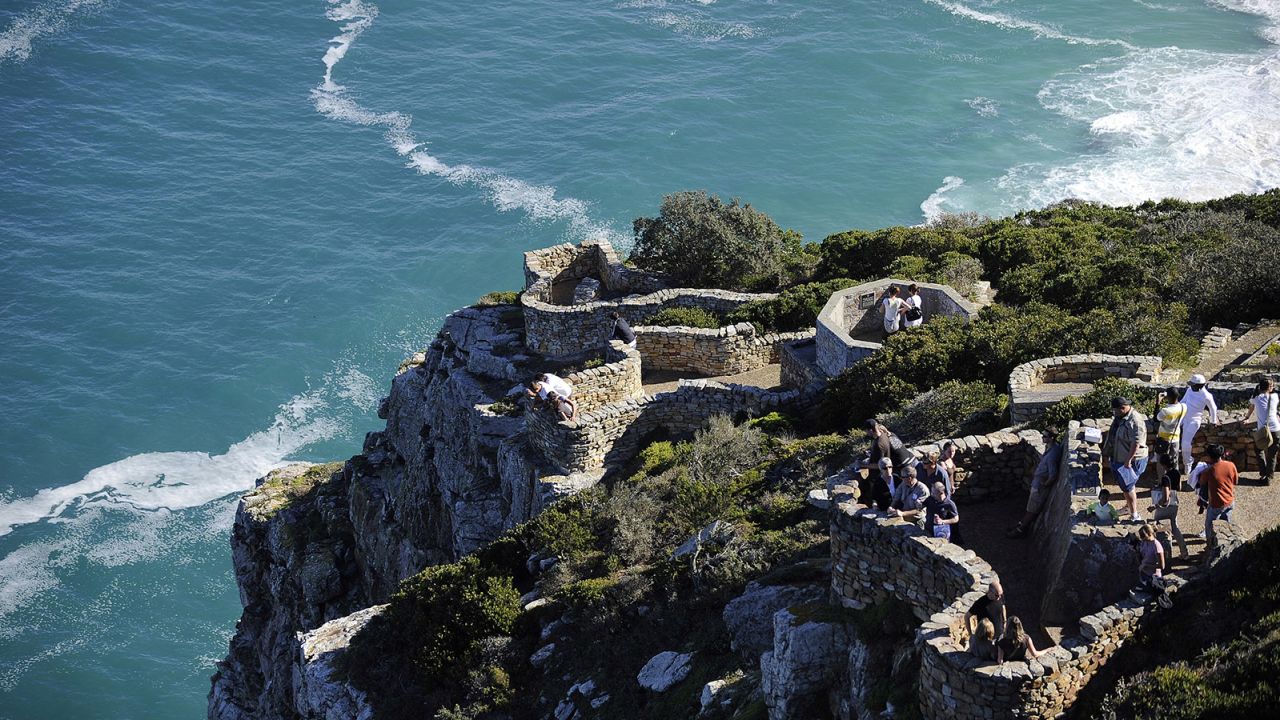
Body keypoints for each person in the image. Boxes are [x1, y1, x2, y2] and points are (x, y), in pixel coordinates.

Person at [1008, 427, 1063, 538]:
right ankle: (1020, 524)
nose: (1042, 437)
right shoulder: (1053, 448)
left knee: (1031, 510)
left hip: (1039, 487)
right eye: (1042, 435)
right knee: (1030, 508)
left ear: (1052, 438)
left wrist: (1044, 485)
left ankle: (1020, 530)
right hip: (1037, 483)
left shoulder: (1052, 455)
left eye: (1045, 436)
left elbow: (1053, 475)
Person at [1103, 396, 1149, 523]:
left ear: (1123, 408)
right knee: (1126, 486)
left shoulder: (1135, 420)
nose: (1114, 413)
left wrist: (1128, 460)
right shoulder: (1121, 417)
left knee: (1128, 487)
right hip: (1122, 457)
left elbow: (1136, 443)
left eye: (1115, 411)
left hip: (1132, 460)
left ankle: (1134, 514)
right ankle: (1128, 507)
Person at [1148, 453, 1188, 558]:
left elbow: (1165, 498)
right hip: (1175, 502)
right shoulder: (1177, 472)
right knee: (1175, 528)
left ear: (1163, 464)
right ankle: (1184, 553)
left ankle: (1158, 554)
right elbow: (1179, 487)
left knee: (1155, 526)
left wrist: (1155, 506)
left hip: (1167, 505)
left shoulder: (1166, 477)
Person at [1178, 375, 1219, 472]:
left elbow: (1213, 408)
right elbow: (1183, 401)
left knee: (1185, 443)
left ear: (1200, 386)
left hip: (1194, 420)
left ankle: (1188, 463)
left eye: (1193, 385)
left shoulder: (1207, 396)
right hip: (1184, 416)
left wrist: (1213, 421)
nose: (1191, 386)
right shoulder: (1190, 390)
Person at [1243, 378, 1280, 484]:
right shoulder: (1275, 397)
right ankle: (1269, 476)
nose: (1273, 387)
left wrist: (1247, 417)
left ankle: (1263, 472)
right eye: (1272, 386)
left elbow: (1251, 407)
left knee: (1259, 450)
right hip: (1276, 429)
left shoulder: (1256, 398)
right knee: (1272, 454)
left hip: (1263, 430)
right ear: (1269, 387)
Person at [1201, 443, 1238, 549]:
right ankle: (1228, 546)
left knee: (1210, 526)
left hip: (1216, 504)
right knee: (1227, 525)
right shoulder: (1231, 465)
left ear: (1209, 456)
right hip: (1230, 501)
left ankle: (1210, 546)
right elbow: (1235, 481)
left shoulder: (1209, 471)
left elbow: (1202, 482)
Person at [1154, 388, 1187, 470]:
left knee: (1162, 462)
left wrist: (1158, 402)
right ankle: (1175, 480)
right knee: (1174, 462)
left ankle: (1162, 481)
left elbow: (1156, 418)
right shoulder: (1183, 407)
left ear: (1168, 397)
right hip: (1175, 438)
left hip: (1164, 440)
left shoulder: (1165, 411)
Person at [1135, 522, 1166, 591]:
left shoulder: (1157, 546)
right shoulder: (1144, 542)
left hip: (1153, 576)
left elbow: (1162, 566)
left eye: (1145, 538)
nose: (1143, 540)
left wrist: (1146, 565)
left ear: (1150, 534)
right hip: (1143, 573)